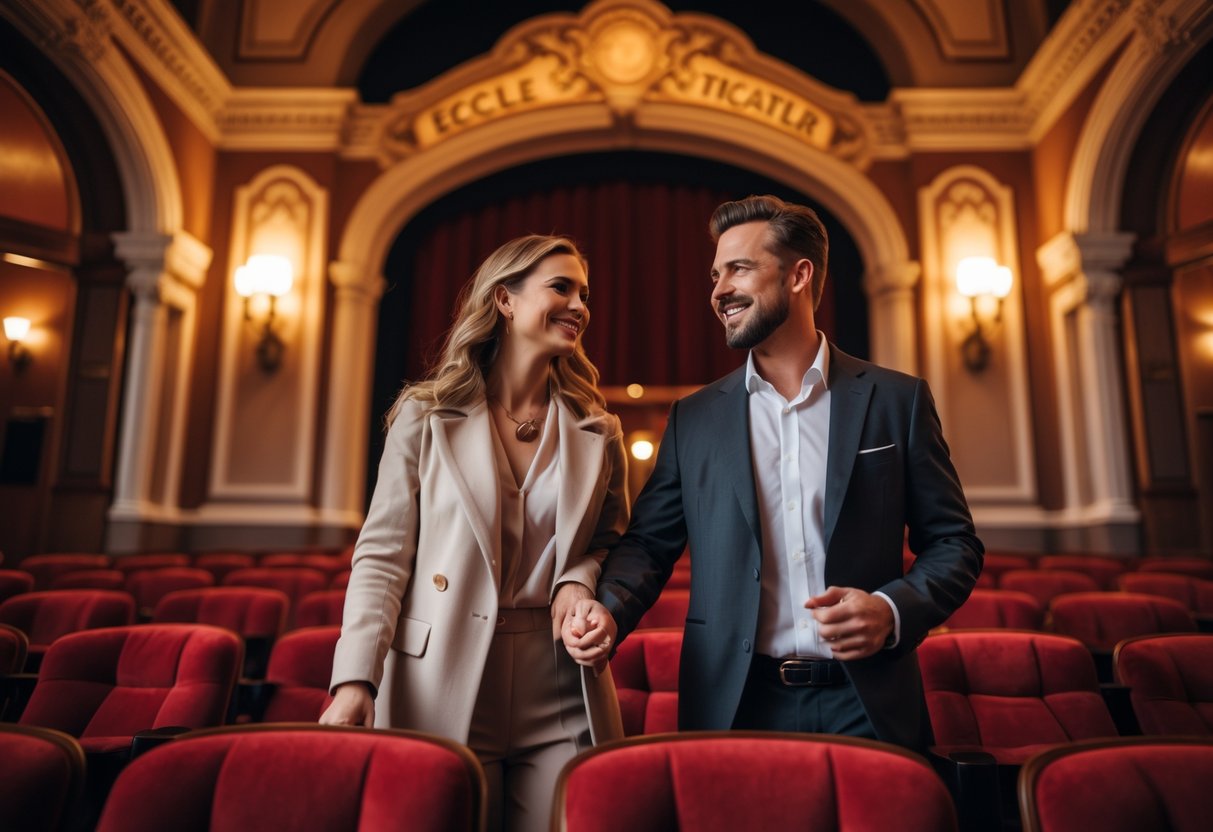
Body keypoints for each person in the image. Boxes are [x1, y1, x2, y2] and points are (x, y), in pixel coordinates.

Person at [563, 195, 982, 752]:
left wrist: (889, 610)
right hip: (735, 703)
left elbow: (954, 543)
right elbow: (649, 544)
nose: (718, 290)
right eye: (715, 274)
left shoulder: (896, 401)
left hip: (869, 700)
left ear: (799, 275)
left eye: (738, 268)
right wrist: (607, 612)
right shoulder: (695, 418)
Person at [322, 234, 628, 832]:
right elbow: (382, 557)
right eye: (560, 287)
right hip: (442, 672)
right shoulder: (425, 414)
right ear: (505, 301)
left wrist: (577, 580)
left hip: (561, 679)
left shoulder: (599, 428)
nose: (579, 305)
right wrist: (355, 679)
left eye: (584, 294)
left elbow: (610, 543)